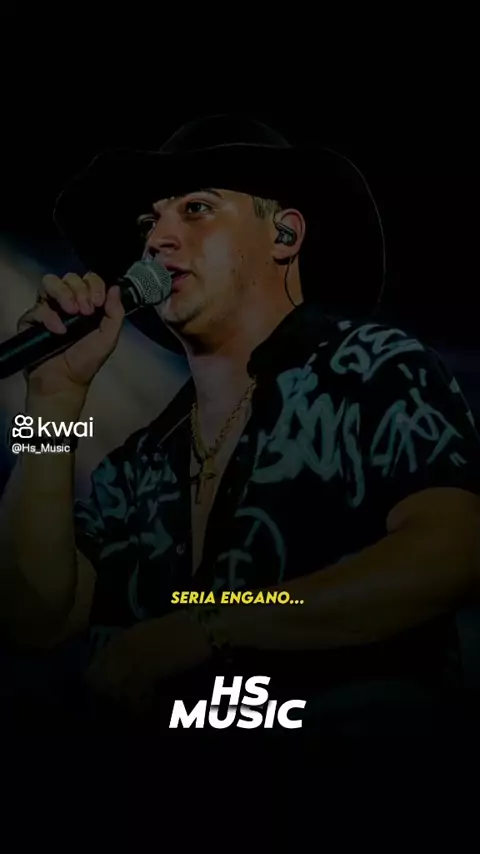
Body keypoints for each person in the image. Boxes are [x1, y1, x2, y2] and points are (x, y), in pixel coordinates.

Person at [1, 115, 479, 748]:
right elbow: (34, 620)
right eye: (148, 224)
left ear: (285, 234)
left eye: (196, 209)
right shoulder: (142, 463)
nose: (156, 240)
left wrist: (213, 628)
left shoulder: (374, 370)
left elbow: (454, 549)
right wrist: (51, 405)